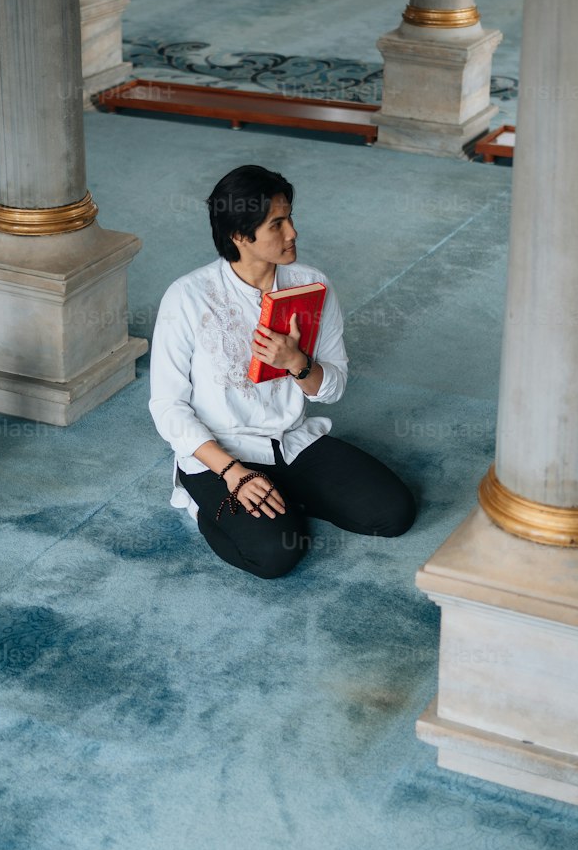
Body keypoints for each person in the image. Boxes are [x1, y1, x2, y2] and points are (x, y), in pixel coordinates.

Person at [148, 164, 416, 578]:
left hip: (291, 441)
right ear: (240, 235)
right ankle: (207, 507)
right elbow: (168, 408)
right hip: (219, 455)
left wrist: (297, 364)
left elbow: (333, 387)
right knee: (275, 555)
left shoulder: (310, 285)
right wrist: (233, 474)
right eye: (277, 224)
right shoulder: (187, 297)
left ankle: (285, 496)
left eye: (290, 218)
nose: (292, 233)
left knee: (394, 514)